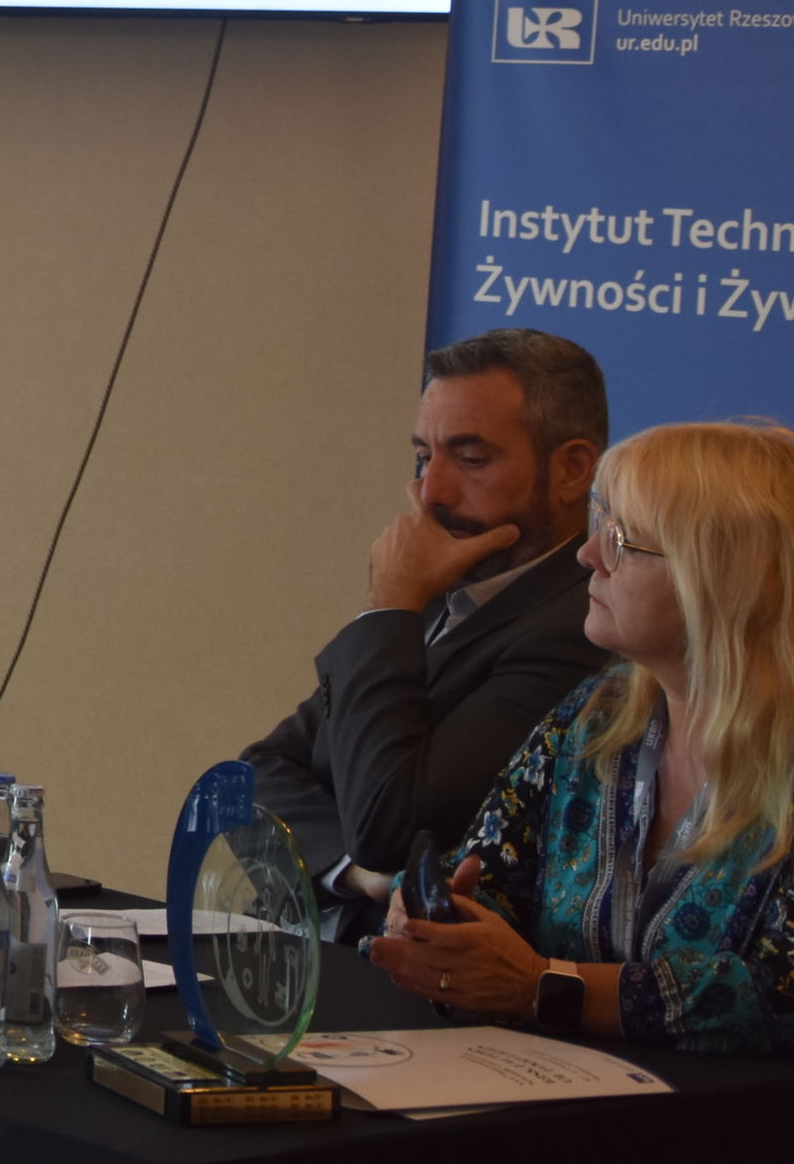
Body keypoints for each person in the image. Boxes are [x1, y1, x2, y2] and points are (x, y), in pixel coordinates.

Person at [373, 422, 794, 1164]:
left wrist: (540, 987)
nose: (588, 554)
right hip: (615, 1125)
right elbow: (489, 868)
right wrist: (444, 922)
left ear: (724, 578)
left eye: (621, 539)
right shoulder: (599, 718)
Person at [241, 329, 611, 939]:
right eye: (423, 456)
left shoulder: (580, 630)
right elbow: (257, 773)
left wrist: (390, 604)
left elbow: (391, 828)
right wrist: (357, 874)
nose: (430, 492)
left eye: (471, 460)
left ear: (571, 469)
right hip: (310, 951)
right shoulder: (441, 592)